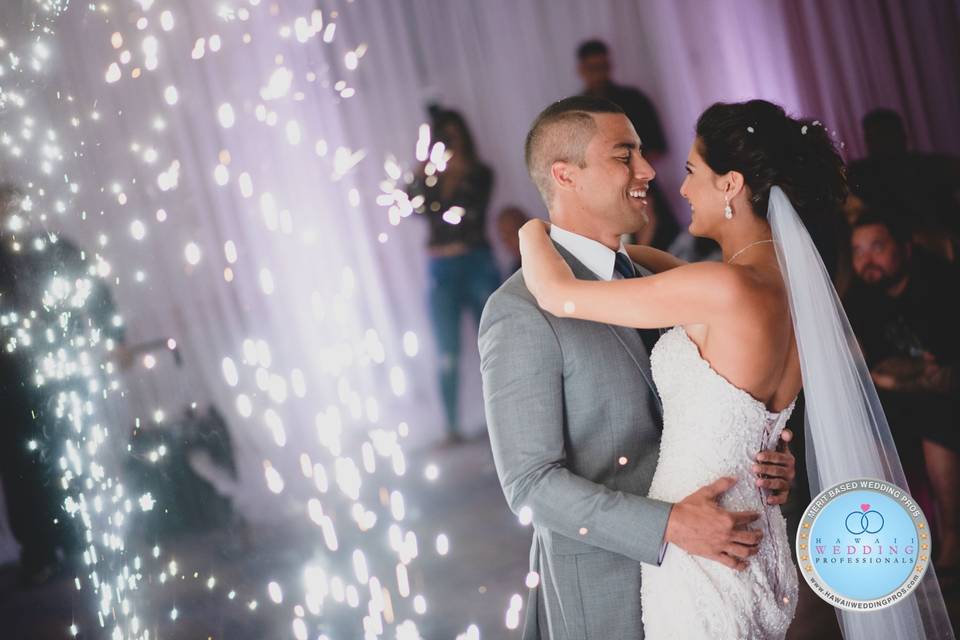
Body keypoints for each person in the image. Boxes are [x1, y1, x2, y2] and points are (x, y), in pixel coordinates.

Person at [517, 99, 952, 638]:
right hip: (762, 541)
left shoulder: (716, 290)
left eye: (693, 172)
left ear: (730, 185)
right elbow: (656, 269)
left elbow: (559, 295)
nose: (677, 188)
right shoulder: (792, 290)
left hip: (703, 552)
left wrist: (534, 230)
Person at [479, 96, 797, 639]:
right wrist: (669, 525)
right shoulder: (519, 312)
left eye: (643, 154)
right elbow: (530, 484)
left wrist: (761, 456)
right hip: (608, 588)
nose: (650, 171)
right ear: (566, 175)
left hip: (715, 573)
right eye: (624, 155)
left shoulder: (661, 279)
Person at [0, 184, 126, 585]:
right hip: (10, 384)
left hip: (60, 372)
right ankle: (39, 551)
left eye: (14, 206)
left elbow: (93, 288)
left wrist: (114, 336)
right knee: (21, 468)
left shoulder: (53, 248)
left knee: (65, 454)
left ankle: (72, 539)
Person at [844, 211, 960, 582]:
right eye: (858, 251)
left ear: (904, 248)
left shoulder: (941, 284)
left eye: (877, 247)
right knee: (864, 423)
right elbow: (874, 369)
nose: (867, 260)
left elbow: (945, 376)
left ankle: (953, 541)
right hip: (904, 398)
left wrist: (897, 376)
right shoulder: (861, 299)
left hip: (945, 400)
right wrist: (905, 375)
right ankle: (892, 542)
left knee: (936, 417)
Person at [407, 107, 501, 443]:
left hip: (475, 261)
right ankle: (451, 426)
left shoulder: (479, 173)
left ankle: (505, 419)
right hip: (440, 269)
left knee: (492, 344)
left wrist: (456, 173)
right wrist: (421, 176)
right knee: (446, 350)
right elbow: (413, 209)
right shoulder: (429, 179)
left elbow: (467, 213)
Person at [577, 39, 679, 251]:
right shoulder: (576, 111)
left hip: (642, 186)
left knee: (662, 244)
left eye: (603, 67)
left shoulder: (633, 99)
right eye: (593, 68)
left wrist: (629, 170)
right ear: (581, 70)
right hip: (602, 191)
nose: (599, 74)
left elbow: (657, 147)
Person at [847, 108, 960, 258]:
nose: (881, 145)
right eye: (874, 139)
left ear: (902, 137)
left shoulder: (930, 167)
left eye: (885, 136)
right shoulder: (860, 174)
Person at [495, 205, 528, 276]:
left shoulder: (546, 258)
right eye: (504, 236)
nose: (508, 241)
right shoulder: (516, 269)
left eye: (512, 233)